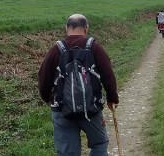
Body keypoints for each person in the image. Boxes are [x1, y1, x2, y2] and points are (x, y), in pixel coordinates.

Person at [38, 14, 119, 156]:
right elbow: (108, 75)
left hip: (62, 110)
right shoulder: (94, 47)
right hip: (91, 109)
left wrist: (48, 98)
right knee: (99, 143)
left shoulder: (56, 50)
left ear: (66, 28)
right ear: (86, 28)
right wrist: (112, 98)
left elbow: (44, 77)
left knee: (67, 152)